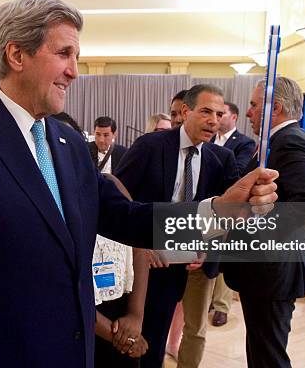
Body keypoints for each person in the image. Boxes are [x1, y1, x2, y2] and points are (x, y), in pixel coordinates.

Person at [0, 0, 279, 367]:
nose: (74, 71)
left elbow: (127, 217)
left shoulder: (69, 143)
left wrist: (216, 211)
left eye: (76, 56)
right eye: (64, 54)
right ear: (17, 55)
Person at [115, 84, 239, 368]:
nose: (213, 120)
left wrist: (208, 249)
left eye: (219, 114)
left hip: (178, 271)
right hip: (139, 266)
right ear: (186, 111)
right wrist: (141, 247)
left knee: (155, 342)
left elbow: (225, 217)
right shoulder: (150, 146)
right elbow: (117, 197)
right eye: (206, 111)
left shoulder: (221, 160)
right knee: (127, 341)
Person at [221, 77, 305, 368]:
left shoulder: (290, 141)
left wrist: (257, 230)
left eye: (254, 105)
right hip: (265, 271)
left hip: (273, 270)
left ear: (275, 108)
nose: (248, 112)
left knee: (269, 357)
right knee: (261, 352)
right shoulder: (278, 141)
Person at [93, 174, 150, 367]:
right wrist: (121, 337)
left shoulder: (109, 183)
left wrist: (135, 317)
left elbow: (138, 244)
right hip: (82, 318)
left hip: (121, 310)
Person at [209, 101, 256, 327]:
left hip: (231, 208)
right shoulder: (209, 138)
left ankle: (222, 306)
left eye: (222, 114)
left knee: (223, 256)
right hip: (210, 205)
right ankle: (211, 300)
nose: (217, 118)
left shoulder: (245, 143)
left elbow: (238, 171)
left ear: (234, 117)